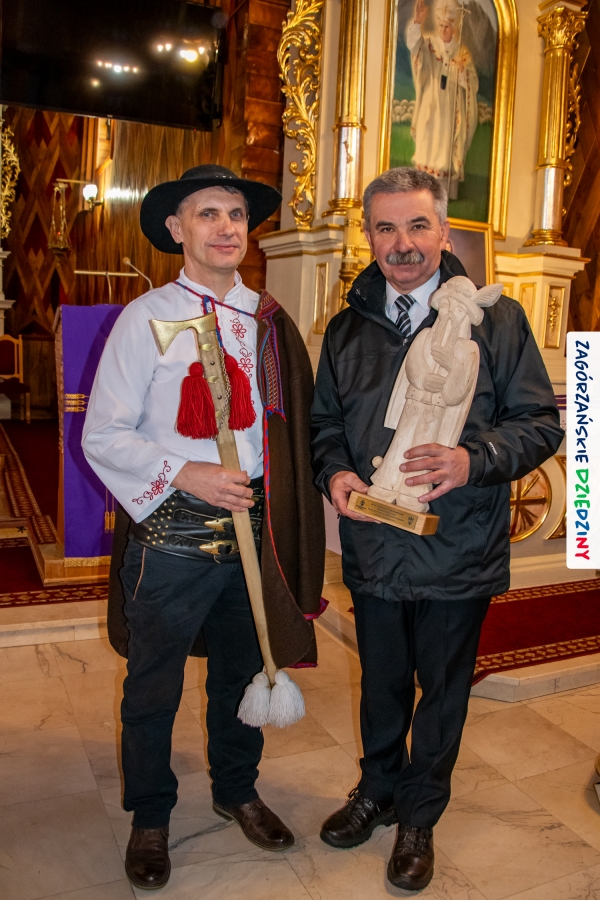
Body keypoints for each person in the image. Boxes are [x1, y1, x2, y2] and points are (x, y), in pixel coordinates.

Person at [311, 167, 563, 892]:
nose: (403, 243)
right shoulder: (347, 326)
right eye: (386, 228)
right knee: (381, 681)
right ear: (369, 236)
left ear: (445, 233)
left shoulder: (497, 319)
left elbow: (540, 423)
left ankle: (420, 816)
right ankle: (378, 791)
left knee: (443, 690)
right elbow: (326, 425)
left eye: (418, 225)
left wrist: (472, 459)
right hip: (375, 541)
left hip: (457, 543)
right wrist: (335, 474)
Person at [82, 165, 325, 891]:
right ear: (176, 228)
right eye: (209, 213)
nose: (226, 227)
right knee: (152, 688)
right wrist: (185, 472)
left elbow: (294, 432)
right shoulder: (145, 318)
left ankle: (236, 791)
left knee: (241, 677)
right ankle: (150, 815)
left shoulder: (270, 323)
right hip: (173, 535)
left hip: (255, 532)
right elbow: (103, 434)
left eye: (236, 215)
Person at [407, 0, 478, 198]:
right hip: (431, 102)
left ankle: (443, 193)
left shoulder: (462, 52)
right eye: (440, 25)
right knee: (428, 140)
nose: (443, 29)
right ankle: (421, 192)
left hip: (449, 108)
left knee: (445, 144)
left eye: (446, 26)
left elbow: (472, 83)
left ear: (453, 27)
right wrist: (417, 22)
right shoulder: (430, 44)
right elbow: (414, 45)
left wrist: (462, 72)